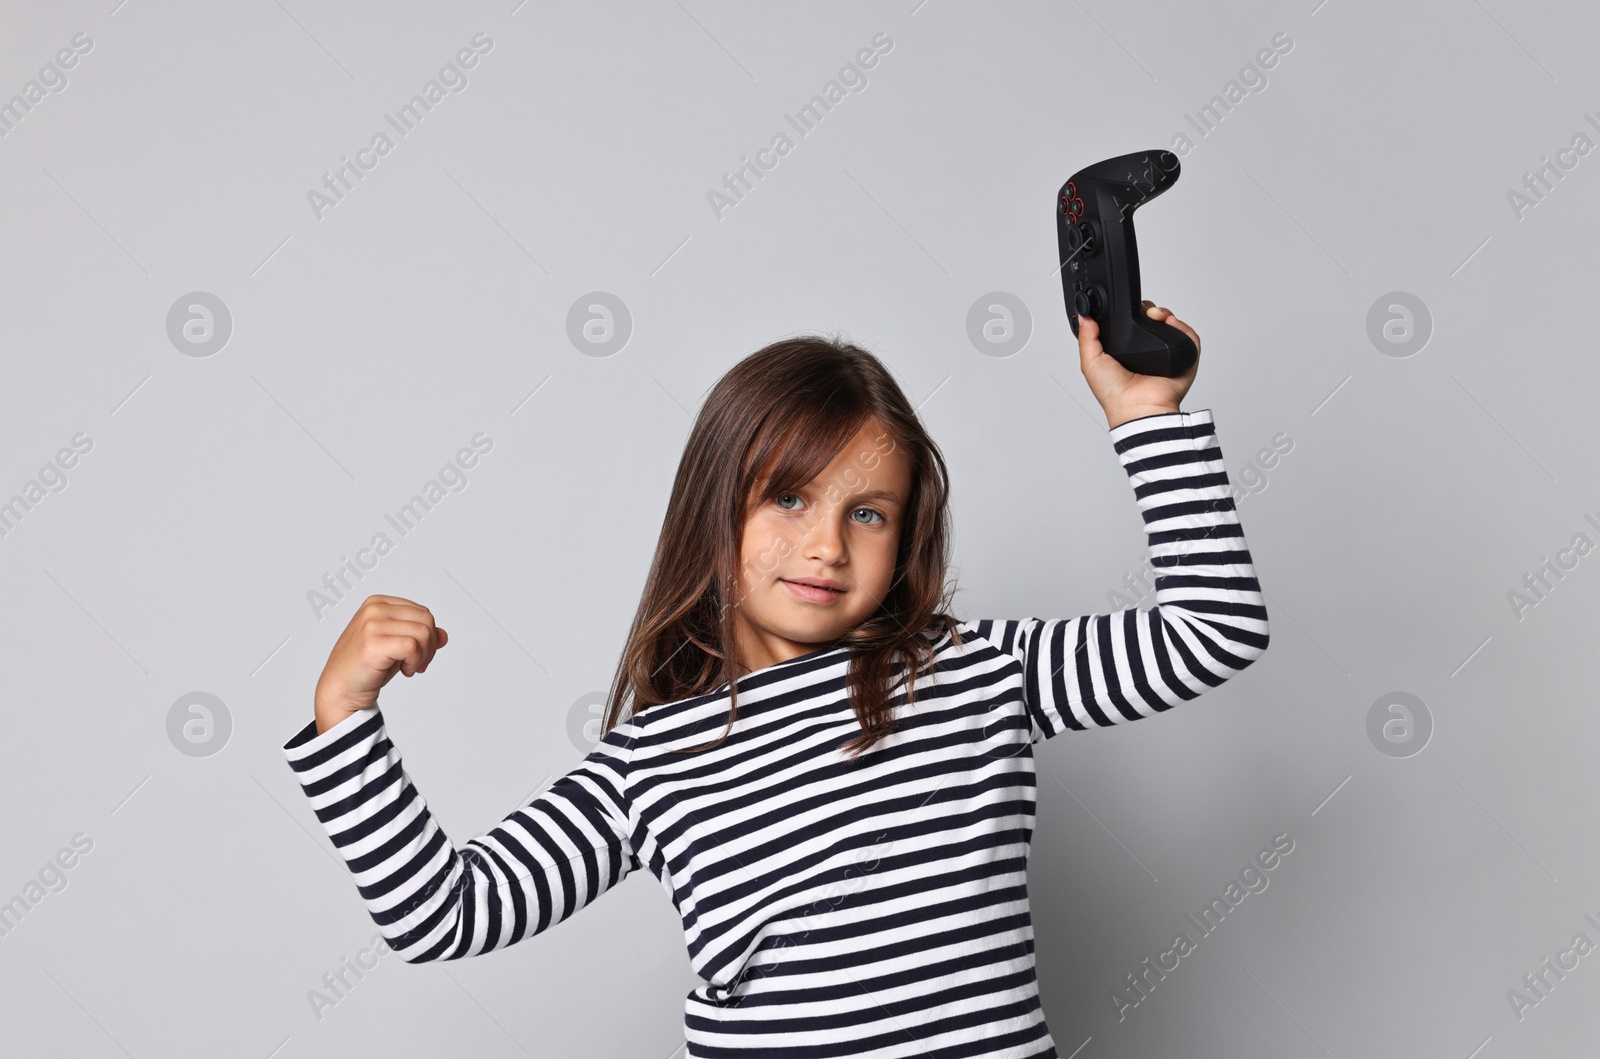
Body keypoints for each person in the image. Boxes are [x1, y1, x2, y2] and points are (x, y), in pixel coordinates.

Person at [282, 303, 1269, 1057]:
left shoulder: (978, 669)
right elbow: (445, 912)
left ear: (908, 533)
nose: (825, 544)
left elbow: (1212, 628)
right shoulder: (651, 762)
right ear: (715, 510)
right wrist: (344, 718)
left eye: (869, 512)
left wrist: (1146, 415)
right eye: (787, 496)